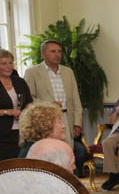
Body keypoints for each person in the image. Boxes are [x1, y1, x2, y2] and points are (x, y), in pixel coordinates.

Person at [24, 39, 87, 172]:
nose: (57, 54)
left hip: (66, 117)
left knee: (67, 153)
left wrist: (77, 123)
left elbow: (76, 99)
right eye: (53, 51)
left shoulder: (68, 72)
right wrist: (48, 105)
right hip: (46, 120)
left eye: (59, 51)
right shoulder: (32, 72)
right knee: (49, 154)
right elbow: (29, 99)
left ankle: (68, 179)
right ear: (43, 54)